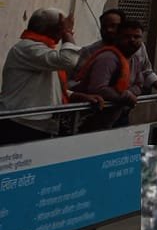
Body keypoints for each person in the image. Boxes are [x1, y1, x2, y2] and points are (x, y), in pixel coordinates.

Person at [0, 8, 95, 145]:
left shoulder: (43, 50)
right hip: (21, 123)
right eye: (62, 29)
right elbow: (68, 61)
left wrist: (74, 95)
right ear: (53, 30)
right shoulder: (27, 48)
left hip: (38, 123)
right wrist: (67, 34)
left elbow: (49, 86)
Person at [70, 17, 150, 131]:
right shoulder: (108, 58)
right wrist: (126, 96)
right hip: (88, 120)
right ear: (117, 38)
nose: (132, 40)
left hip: (116, 117)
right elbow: (98, 88)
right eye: (127, 37)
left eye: (136, 37)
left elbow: (139, 85)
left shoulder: (135, 59)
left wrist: (127, 95)